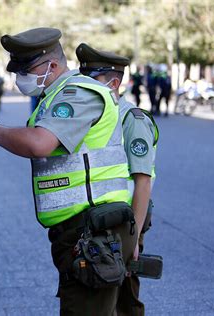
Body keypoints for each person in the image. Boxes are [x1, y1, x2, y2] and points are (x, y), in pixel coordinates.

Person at [0, 27, 137, 315]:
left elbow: (40, 143)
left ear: (51, 65)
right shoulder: (53, 98)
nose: (19, 79)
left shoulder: (79, 94)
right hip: (80, 230)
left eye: (25, 70)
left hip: (96, 230)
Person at [77, 43, 159, 316]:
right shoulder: (96, 117)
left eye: (91, 80)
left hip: (125, 224)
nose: (83, 87)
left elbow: (142, 181)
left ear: (113, 83)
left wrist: (133, 240)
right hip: (100, 221)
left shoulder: (131, 119)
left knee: (125, 302)